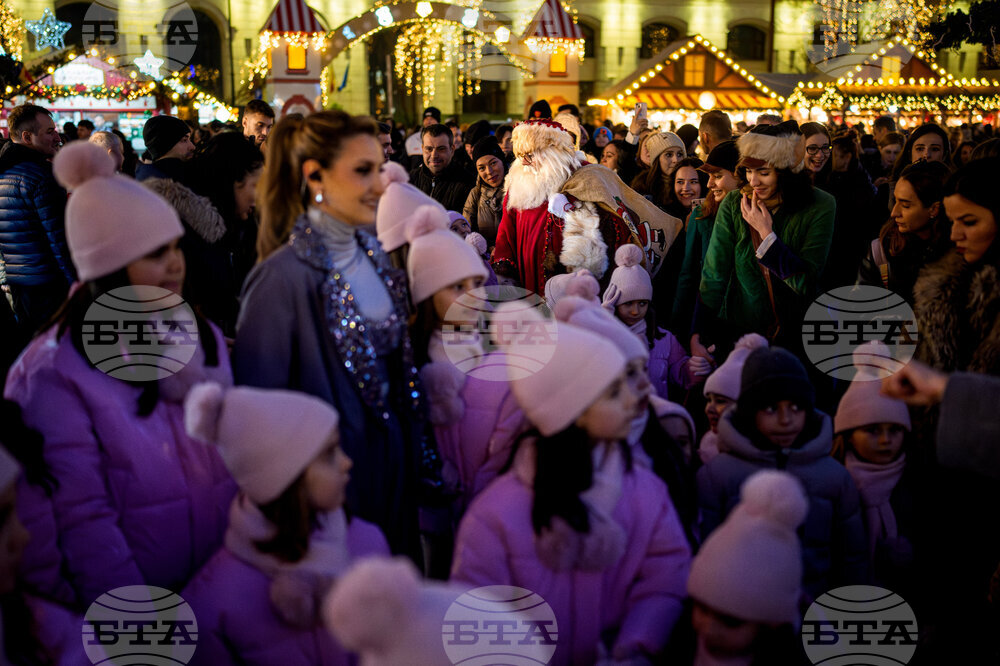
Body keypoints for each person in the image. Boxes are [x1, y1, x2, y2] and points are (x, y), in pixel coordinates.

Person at [5, 142, 235, 606]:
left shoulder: (198, 333)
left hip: (218, 589)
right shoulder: (54, 373)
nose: (175, 263)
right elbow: (80, 520)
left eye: (175, 247)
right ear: (109, 268)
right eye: (154, 253)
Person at [451, 305, 692, 665]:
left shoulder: (646, 492)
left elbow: (664, 577)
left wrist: (635, 646)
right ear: (573, 411)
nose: (632, 399)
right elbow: (479, 620)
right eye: (613, 392)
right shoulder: (495, 516)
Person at [234, 111, 426, 559]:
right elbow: (259, 419)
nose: (380, 186)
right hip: (330, 508)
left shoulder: (375, 253)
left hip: (394, 484)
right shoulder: (280, 281)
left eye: (379, 169)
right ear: (315, 176)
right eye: (363, 171)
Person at [181, 383, 390, 665]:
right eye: (329, 454)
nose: (346, 462)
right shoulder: (214, 604)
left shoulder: (369, 544)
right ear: (286, 481)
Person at [696, 347, 868, 599]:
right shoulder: (717, 476)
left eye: (796, 407)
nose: (786, 419)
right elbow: (703, 552)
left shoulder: (835, 478)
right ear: (749, 411)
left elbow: (852, 558)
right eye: (770, 409)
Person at [406, 219, 522, 518]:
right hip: (429, 520)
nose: (474, 296)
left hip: (491, 515)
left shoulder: (501, 361)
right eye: (458, 286)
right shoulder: (407, 368)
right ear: (427, 295)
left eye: (477, 284)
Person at [695, 120, 835, 354]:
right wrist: (700, 334)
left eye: (763, 172)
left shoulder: (821, 205)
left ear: (785, 170)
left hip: (798, 337)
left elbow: (806, 283)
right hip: (740, 333)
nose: (753, 181)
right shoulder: (734, 202)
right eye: (748, 171)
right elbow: (714, 273)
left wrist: (767, 236)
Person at [148, 132, 265, 337]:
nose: (258, 197)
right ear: (233, 182)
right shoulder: (187, 236)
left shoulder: (226, 227)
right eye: (254, 185)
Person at [689, 471, 808, 665]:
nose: (709, 627)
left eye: (730, 621)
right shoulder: (678, 646)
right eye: (702, 608)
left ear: (770, 624)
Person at [832, 342, 916, 594]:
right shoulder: (834, 486)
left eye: (894, 430)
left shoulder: (916, 483)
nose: (885, 440)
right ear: (848, 434)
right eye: (872, 430)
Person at [0, 104, 73, 337]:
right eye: (49, 131)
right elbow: (60, 239)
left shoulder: (5, 172)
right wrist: (77, 285)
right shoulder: (40, 177)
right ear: (27, 137)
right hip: (49, 288)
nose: (57, 137)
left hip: (19, 287)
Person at [604, 244, 709, 403]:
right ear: (615, 303)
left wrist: (697, 368)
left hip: (656, 421)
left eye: (642, 303)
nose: (635, 311)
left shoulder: (665, 339)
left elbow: (681, 374)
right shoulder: (602, 337)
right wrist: (602, 323)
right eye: (628, 303)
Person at [856, 160, 952, 301]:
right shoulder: (883, 249)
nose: (894, 212)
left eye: (906, 205)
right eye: (896, 201)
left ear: (934, 209)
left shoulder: (960, 251)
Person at [672, 140, 742, 336]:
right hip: (710, 318)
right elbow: (689, 274)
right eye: (709, 176)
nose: (709, 183)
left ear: (740, 176)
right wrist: (678, 327)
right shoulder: (701, 215)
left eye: (717, 176)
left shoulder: (757, 215)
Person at [800, 125, 878, 290]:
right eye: (812, 148)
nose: (820, 155)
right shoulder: (787, 185)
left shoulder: (836, 183)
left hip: (836, 272)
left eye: (825, 148)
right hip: (798, 275)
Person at [697, 333, 769, 464]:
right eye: (709, 400)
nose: (709, 408)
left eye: (720, 401)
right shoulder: (703, 451)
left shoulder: (763, 458)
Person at [408, 124, 475, 212]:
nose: (434, 155)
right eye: (429, 149)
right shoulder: (411, 179)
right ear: (422, 149)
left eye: (441, 149)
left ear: (452, 150)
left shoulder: (468, 182)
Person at [462, 136, 506, 247]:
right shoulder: (475, 194)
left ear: (502, 161)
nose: (489, 172)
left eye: (493, 163)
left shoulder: (519, 189)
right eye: (482, 168)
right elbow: (467, 232)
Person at [135, 114, 196, 182]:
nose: (192, 147)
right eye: (184, 140)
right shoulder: (186, 177)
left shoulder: (145, 176)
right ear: (165, 144)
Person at [630, 131, 687, 198]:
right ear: (657, 160)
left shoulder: (692, 182)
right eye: (669, 155)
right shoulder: (643, 186)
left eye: (680, 154)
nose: (676, 160)